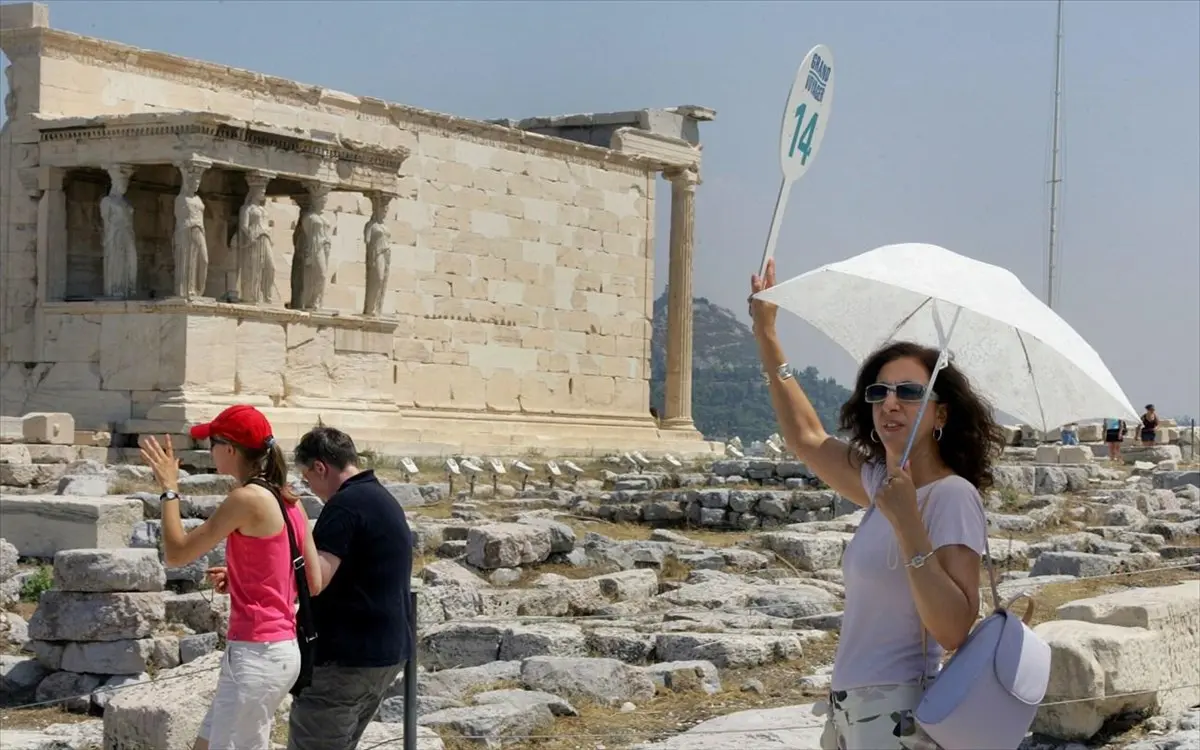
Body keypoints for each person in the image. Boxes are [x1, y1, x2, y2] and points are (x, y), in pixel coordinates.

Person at [750, 259, 1001, 750]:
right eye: (879, 391)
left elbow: (953, 629)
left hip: (902, 712)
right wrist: (767, 333)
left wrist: (908, 522)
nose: (890, 402)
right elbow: (806, 437)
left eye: (909, 392)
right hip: (847, 708)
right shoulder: (878, 482)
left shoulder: (952, 496)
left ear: (940, 413)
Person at [140, 404, 321, 750]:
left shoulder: (246, 499)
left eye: (212, 442)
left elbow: (177, 553)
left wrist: (168, 489)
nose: (208, 451)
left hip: (256, 653)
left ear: (229, 449)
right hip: (279, 652)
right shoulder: (290, 499)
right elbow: (312, 582)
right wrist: (244, 577)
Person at [287, 425, 414, 750]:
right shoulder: (382, 497)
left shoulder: (344, 506)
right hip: (385, 654)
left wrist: (294, 513)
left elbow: (317, 580)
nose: (309, 488)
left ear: (320, 467)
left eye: (307, 479)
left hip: (346, 661)